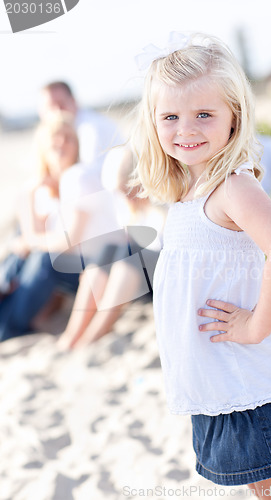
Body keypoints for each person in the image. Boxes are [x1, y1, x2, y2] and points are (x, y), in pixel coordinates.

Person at [130, 33, 271, 498]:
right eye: (171, 117)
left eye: (204, 114)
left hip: (248, 383)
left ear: (233, 116)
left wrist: (258, 325)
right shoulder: (185, 195)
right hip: (217, 385)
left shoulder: (232, 188)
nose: (186, 129)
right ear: (153, 122)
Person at [0, 112, 118, 342]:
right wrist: (30, 194)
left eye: (69, 138)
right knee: (24, 253)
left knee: (45, 258)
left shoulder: (78, 178)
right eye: (56, 138)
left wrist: (32, 240)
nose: (62, 143)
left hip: (95, 266)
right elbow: (28, 237)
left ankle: (7, 327)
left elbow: (68, 240)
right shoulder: (49, 187)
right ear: (43, 147)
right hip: (73, 264)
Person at [57, 146, 164, 350]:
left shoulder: (164, 204)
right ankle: (73, 335)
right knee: (107, 251)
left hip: (160, 274)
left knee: (129, 254)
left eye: (130, 189)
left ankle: (94, 334)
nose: (127, 197)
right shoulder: (130, 208)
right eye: (122, 191)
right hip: (139, 275)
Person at [38, 81, 124, 179]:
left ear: (74, 102)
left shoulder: (91, 129)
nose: (58, 111)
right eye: (51, 107)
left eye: (61, 104)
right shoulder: (75, 127)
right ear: (41, 112)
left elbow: (87, 177)